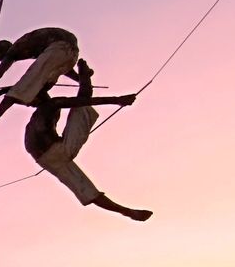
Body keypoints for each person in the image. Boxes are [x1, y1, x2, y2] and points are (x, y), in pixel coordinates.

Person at [23, 59, 151, 221]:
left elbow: (82, 100)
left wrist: (117, 99)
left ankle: (127, 212)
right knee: (85, 190)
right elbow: (29, 91)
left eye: (31, 100)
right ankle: (128, 212)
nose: (29, 104)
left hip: (59, 150)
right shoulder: (40, 111)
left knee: (82, 104)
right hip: (47, 159)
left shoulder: (51, 105)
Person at [0, 27, 81, 142]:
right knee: (41, 89)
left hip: (59, 46)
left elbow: (0, 71)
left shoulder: (14, 49)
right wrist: (80, 80)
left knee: (15, 93)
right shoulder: (31, 46)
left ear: (2, 51)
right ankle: (49, 121)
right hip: (73, 52)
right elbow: (61, 63)